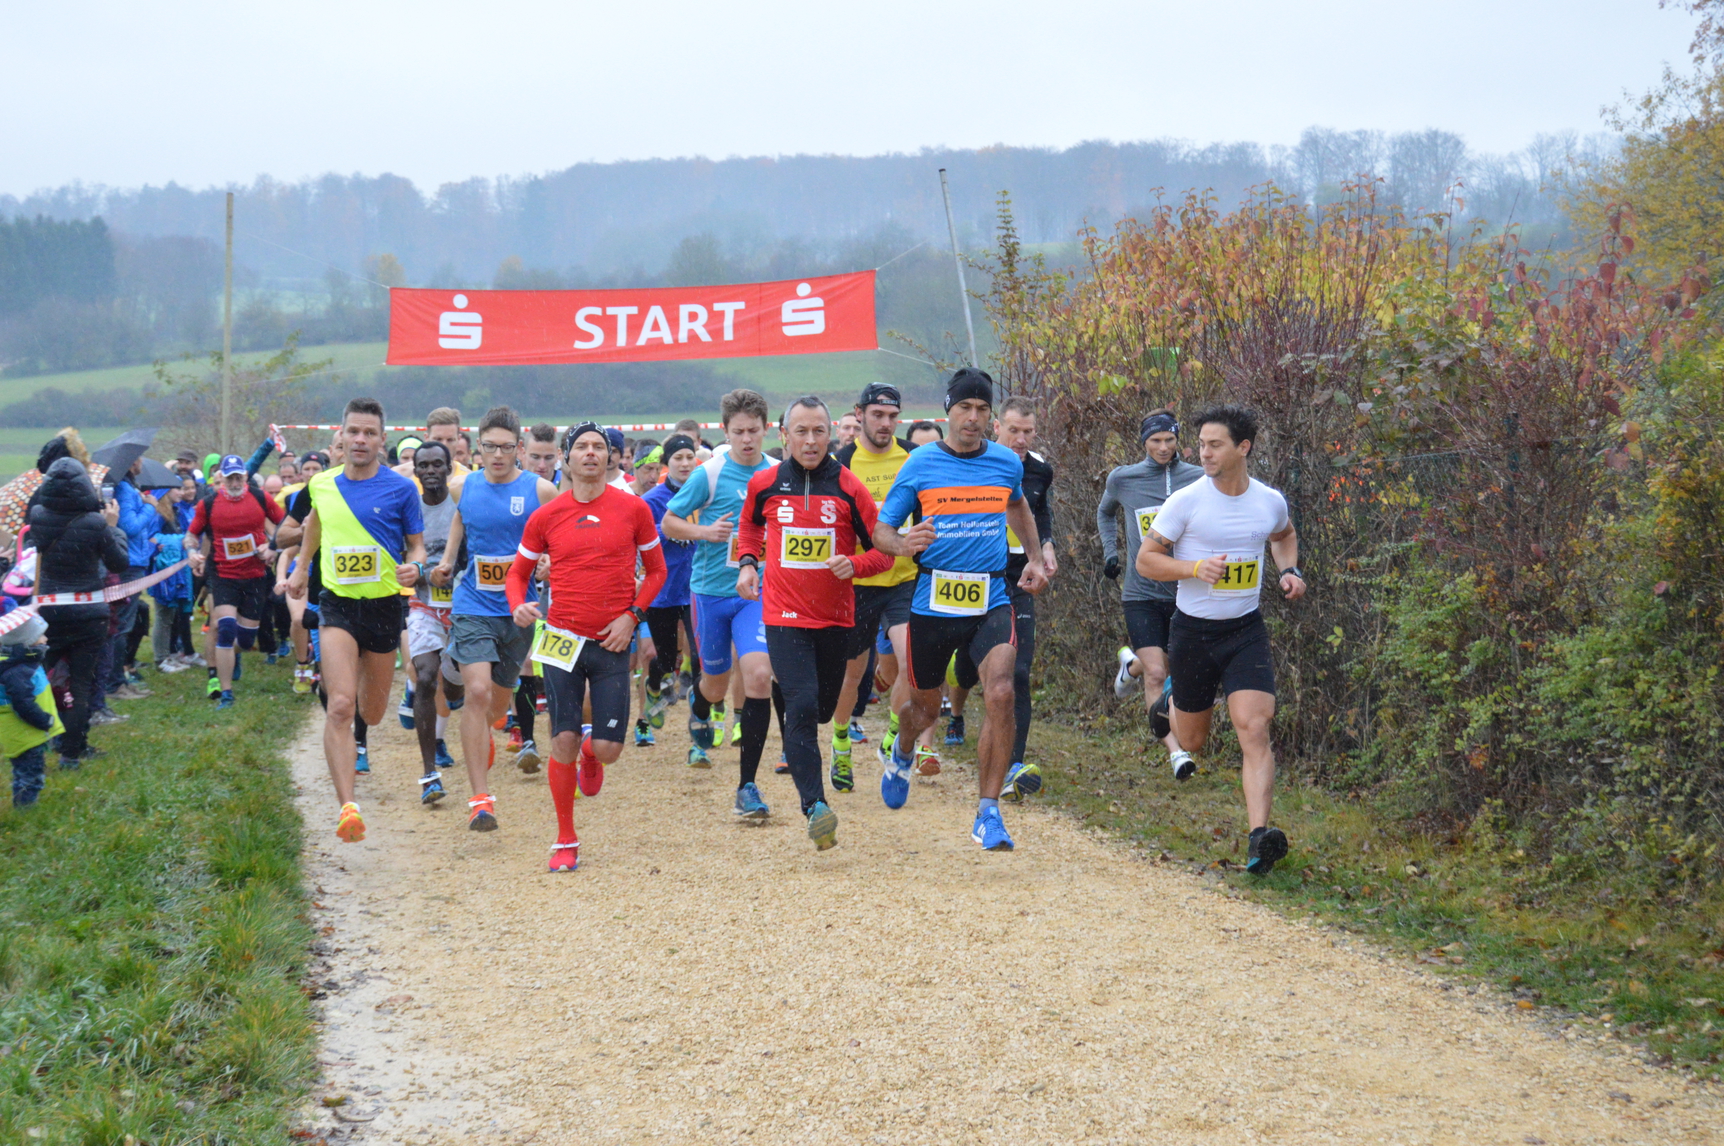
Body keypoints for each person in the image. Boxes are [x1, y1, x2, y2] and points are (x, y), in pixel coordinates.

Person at [872, 368, 1048, 851]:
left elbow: (1018, 507)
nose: (973, 417)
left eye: (982, 409)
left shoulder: (1006, 463)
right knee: (924, 709)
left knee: (1002, 691)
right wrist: (904, 543)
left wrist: (1035, 556)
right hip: (933, 601)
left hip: (991, 596)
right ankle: (903, 748)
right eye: (965, 408)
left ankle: (988, 813)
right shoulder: (920, 463)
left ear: (991, 416)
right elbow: (882, 530)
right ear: (948, 410)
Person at [1133, 403, 1305, 875]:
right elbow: (1146, 560)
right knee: (1192, 740)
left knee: (1255, 727)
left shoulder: (1269, 500)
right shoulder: (1186, 501)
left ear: (1243, 448)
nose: (1203, 453)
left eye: (1214, 445)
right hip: (1193, 633)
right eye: (1201, 445)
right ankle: (1167, 703)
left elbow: (1283, 535)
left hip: (1245, 631)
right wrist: (1193, 568)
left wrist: (1289, 570)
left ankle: (1258, 839)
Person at [506, 422, 666, 872]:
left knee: (609, 748)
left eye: (600, 447)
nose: (592, 453)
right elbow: (517, 574)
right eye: (582, 447)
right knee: (562, 738)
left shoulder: (633, 509)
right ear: (566, 457)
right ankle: (565, 838)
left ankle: (592, 757)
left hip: (612, 639)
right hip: (562, 639)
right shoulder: (547, 515)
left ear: (612, 457)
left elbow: (657, 572)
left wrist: (631, 616)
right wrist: (518, 606)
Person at [737, 396, 893, 849]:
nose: (810, 441)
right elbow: (750, 527)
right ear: (784, 435)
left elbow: (883, 551)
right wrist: (747, 562)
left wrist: (855, 565)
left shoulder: (848, 487)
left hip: (835, 618)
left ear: (831, 435)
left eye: (818, 431)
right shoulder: (765, 483)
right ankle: (815, 807)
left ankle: (788, 690)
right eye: (801, 432)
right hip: (783, 614)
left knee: (822, 709)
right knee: (803, 707)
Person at [287, 397, 425, 843]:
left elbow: (417, 545)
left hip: (384, 607)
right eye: (353, 431)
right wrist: (301, 568)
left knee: (373, 712)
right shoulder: (322, 484)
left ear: (382, 440)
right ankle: (348, 807)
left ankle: (372, 700)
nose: (360, 440)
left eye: (369, 433)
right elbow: (313, 524)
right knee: (341, 706)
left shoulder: (402, 489)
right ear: (341, 436)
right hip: (338, 606)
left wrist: (416, 566)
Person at [430, 406, 557, 832]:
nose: (498, 455)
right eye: (489, 447)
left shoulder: (540, 490)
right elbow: (461, 520)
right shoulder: (461, 486)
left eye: (506, 447)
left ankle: (480, 732)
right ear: (477, 447)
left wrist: (549, 562)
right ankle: (481, 800)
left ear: (519, 448)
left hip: (520, 610)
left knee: (498, 705)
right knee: (478, 691)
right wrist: (449, 559)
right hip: (473, 604)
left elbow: (557, 538)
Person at [662, 390, 776, 789]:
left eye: (753, 431)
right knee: (715, 683)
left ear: (766, 429)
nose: (747, 439)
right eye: (738, 432)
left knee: (758, 673)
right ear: (725, 431)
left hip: (756, 593)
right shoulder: (708, 473)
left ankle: (749, 779)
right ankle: (700, 709)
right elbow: (670, 522)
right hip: (711, 592)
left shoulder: (778, 473)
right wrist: (705, 532)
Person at [946, 397, 1059, 798]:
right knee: (967, 669)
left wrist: (1046, 546)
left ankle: (1013, 765)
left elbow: (1040, 511)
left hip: (1019, 575)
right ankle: (956, 703)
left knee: (1018, 673)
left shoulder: (1040, 469)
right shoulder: (978, 463)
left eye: (1028, 431)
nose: (1021, 439)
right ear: (997, 428)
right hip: (977, 574)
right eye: (1014, 430)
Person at [1098, 408, 1204, 780]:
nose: (1163, 447)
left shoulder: (1197, 478)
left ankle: (1131, 666)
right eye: (1155, 441)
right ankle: (1176, 753)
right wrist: (1111, 553)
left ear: (1178, 440)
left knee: (1174, 666)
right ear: (1143, 442)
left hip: (1185, 592)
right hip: (1140, 593)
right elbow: (1105, 513)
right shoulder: (1123, 478)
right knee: (1158, 673)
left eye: (1169, 440)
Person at [831, 382, 918, 794]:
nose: (885, 423)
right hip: (859, 581)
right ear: (859, 413)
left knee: (911, 662)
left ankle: (894, 736)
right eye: (877, 415)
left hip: (903, 579)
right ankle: (840, 741)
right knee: (852, 674)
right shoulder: (841, 463)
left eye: (892, 417)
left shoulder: (914, 458)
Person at [29, 458, 129, 770]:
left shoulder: (37, 516)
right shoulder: (96, 523)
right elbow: (119, 563)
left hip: (49, 612)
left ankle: (48, 738)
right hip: (88, 613)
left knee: (48, 678)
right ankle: (72, 753)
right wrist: (113, 528)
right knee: (81, 683)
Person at [188, 456, 286, 709]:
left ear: (245, 477)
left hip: (255, 577)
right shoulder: (208, 504)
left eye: (238, 477)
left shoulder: (261, 498)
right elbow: (191, 535)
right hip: (223, 576)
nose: (234, 482)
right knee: (225, 628)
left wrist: (272, 546)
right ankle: (226, 693)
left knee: (244, 641)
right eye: (229, 477)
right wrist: (191, 552)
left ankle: (226, 657)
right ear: (221, 477)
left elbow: (285, 524)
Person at [400, 441, 461, 805]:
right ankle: (429, 774)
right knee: (425, 677)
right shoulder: (410, 510)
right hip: (423, 605)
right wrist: (422, 573)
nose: (431, 470)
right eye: (423, 465)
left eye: (438, 464)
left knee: (452, 690)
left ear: (449, 468)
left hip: (463, 607)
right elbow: (401, 552)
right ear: (416, 471)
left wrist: (451, 571)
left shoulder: (461, 505)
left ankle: (455, 692)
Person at [640, 435, 700, 736]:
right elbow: (639, 535)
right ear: (667, 463)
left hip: (696, 588)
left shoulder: (704, 493)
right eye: (678, 458)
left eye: (690, 457)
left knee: (700, 655)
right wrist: (671, 532)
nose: (685, 463)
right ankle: (654, 688)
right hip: (663, 592)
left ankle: (701, 717)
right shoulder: (652, 500)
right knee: (664, 659)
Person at [105, 458, 163, 701]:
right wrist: (150, 507)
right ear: (129, 464)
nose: (141, 462)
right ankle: (114, 684)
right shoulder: (124, 489)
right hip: (128, 564)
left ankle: (120, 680)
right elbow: (129, 527)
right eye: (137, 459)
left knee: (125, 624)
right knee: (121, 626)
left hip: (134, 560)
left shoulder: (128, 488)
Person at [1, 610, 61, 807]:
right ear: (27, 642)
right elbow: (23, 704)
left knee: (26, 771)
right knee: (29, 774)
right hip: (25, 733)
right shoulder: (17, 671)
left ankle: (25, 803)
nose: (45, 639)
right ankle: (25, 808)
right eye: (41, 635)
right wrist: (44, 720)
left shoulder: (23, 662)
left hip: (26, 732)